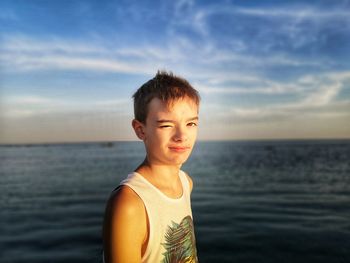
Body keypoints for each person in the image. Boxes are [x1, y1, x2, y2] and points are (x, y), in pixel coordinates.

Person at [103, 71, 200, 263]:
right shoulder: (130, 204)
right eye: (166, 125)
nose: (182, 135)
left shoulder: (185, 182)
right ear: (140, 130)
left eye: (191, 123)